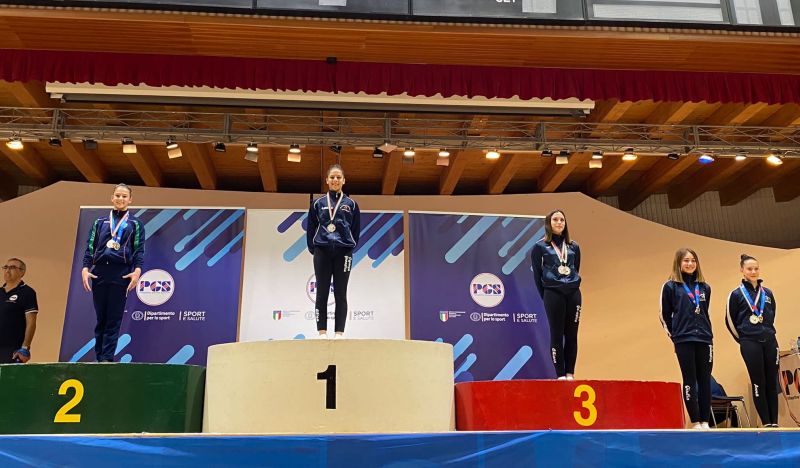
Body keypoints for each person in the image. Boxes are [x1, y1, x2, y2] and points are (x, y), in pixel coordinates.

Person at [81, 183, 145, 362]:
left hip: (121, 273)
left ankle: (107, 359)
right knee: (101, 318)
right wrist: (85, 268)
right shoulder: (99, 222)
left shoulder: (135, 224)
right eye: (117, 195)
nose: (120, 199)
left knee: (114, 319)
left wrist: (137, 271)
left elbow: (139, 250)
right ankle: (99, 357)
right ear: (112, 198)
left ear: (130, 200)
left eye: (124, 196)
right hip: (99, 273)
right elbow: (90, 247)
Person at [660, 248, 713, 430]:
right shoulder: (670, 287)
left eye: (693, 260)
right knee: (689, 379)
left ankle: (705, 421)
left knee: (705, 380)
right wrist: (675, 337)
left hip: (704, 338)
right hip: (683, 339)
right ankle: (696, 421)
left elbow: (704, 312)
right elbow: (664, 315)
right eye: (686, 260)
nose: (690, 264)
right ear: (679, 263)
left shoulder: (705, 288)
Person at [725, 254, 779, 428]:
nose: (753, 271)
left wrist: (766, 332)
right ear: (742, 270)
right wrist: (743, 339)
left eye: (756, 268)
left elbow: (771, 315)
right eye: (749, 269)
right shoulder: (736, 294)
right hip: (750, 342)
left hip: (770, 341)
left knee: (772, 382)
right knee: (758, 382)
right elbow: (730, 321)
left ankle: (775, 423)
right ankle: (766, 422)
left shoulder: (767, 293)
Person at [307, 164, 360, 339]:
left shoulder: (352, 204)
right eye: (332, 177)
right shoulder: (318, 203)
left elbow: (356, 230)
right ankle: (322, 332)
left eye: (338, 177)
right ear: (327, 180)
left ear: (344, 180)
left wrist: (349, 247)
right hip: (322, 251)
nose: (335, 180)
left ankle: (339, 333)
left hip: (344, 253)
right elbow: (311, 227)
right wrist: (314, 249)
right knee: (321, 292)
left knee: (340, 293)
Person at [531, 209, 582, 380]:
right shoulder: (540, 247)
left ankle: (570, 373)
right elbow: (537, 275)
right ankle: (560, 374)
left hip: (573, 294)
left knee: (572, 334)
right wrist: (546, 295)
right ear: (548, 223)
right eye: (555, 219)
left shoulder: (574, 246)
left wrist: (571, 285)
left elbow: (575, 269)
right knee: (557, 333)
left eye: (562, 220)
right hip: (553, 294)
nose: (559, 222)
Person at [0, 258, 38, 364]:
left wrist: (25, 347)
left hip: (12, 350)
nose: (7, 270)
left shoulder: (27, 292)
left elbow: (31, 323)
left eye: (12, 267)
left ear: (22, 272)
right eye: (6, 267)